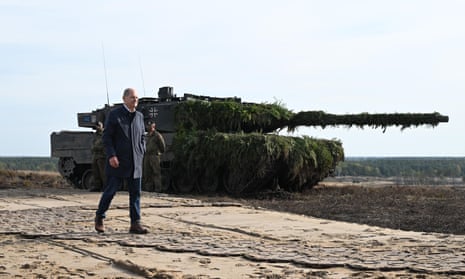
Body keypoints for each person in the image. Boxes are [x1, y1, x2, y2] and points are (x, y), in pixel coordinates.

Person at [94, 88, 148, 234]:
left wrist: (141, 150)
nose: (135, 100)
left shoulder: (139, 116)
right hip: (117, 161)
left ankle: (135, 223)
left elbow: (142, 136)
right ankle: (100, 216)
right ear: (124, 98)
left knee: (135, 193)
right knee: (110, 191)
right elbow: (107, 137)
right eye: (132, 97)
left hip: (135, 162)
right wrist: (111, 155)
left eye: (136, 98)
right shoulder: (115, 115)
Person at [142, 122, 166, 192]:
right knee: (147, 173)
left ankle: (158, 189)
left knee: (156, 173)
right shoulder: (146, 135)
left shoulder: (157, 135)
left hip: (154, 156)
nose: (148, 127)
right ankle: (148, 189)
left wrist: (158, 153)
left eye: (150, 126)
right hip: (147, 156)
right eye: (148, 126)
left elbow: (162, 146)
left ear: (153, 126)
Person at [90, 122, 106, 192]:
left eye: (98, 126)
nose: (97, 127)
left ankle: (105, 186)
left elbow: (105, 144)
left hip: (102, 156)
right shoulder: (95, 135)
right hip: (95, 156)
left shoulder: (105, 134)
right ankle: (97, 186)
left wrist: (97, 147)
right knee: (96, 172)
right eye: (96, 126)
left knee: (103, 173)